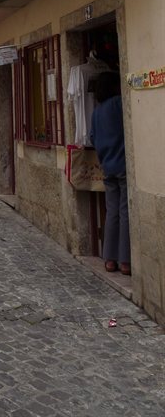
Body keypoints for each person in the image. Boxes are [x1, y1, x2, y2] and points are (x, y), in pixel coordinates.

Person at [90, 71, 130, 276]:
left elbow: (92, 138)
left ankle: (109, 260)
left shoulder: (96, 112)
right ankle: (125, 261)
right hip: (123, 165)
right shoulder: (119, 104)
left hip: (107, 166)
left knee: (111, 212)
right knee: (124, 213)